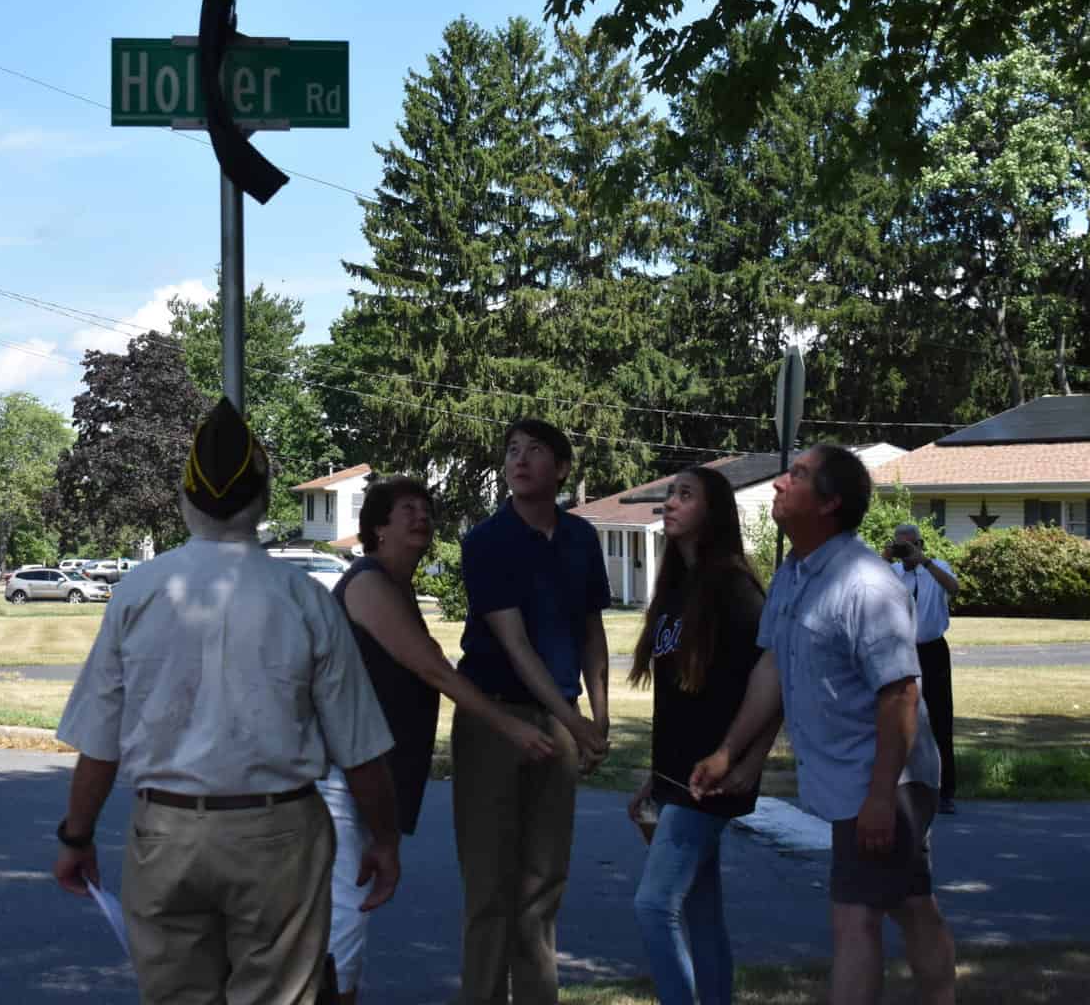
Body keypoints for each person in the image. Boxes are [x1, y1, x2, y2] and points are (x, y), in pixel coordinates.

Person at [51, 397, 403, 1005]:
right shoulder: (305, 598)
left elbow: (100, 743)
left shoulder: (137, 592)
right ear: (263, 502)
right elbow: (359, 745)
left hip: (165, 830)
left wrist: (76, 836)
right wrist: (384, 840)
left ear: (185, 501)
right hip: (278, 832)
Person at [691, 445, 956, 1005]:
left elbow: (902, 694)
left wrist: (881, 798)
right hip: (852, 783)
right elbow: (773, 667)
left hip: (884, 779)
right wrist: (730, 752)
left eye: (799, 476)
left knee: (854, 919)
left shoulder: (864, 585)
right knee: (911, 905)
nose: (782, 484)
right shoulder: (792, 574)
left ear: (830, 503)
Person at [317, 476, 557, 1004]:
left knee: (343, 930)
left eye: (426, 508)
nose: (422, 517)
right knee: (340, 933)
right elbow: (435, 671)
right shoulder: (369, 583)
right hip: (339, 781)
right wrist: (512, 726)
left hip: (366, 778)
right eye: (407, 509)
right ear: (378, 527)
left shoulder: (394, 586)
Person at [453, 418, 612, 1005]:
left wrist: (599, 716)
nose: (519, 460)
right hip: (494, 719)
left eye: (536, 451)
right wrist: (576, 727)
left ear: (562, 469)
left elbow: (591, 628)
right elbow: (516, 646)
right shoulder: (487, 542)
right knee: (490, 889)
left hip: (560, 718)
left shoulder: (580, 538)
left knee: (542, 888)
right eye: (512, 451)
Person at [626, 467, 773, 1005]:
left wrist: (748, 761)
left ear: (713, 513)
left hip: (709, 780)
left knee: (653, 904)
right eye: (670, 494)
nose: (671, 503)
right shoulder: (676, 589)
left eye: (685, 496)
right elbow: (684, 703)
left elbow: (774, 680)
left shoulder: (734, 589)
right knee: (700, 913)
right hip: (677, 777)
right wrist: (653, 777)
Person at [885, 523, 960, 814]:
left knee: (940, 720)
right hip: (901, 650)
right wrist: (886, 557)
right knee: (896, 719)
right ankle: (898, 788)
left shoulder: (936, 567)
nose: (906, 552)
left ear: (920, 544)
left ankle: (946, 792)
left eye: (909, 546)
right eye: (900, 546)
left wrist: (924, 562)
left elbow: (954, 587)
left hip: (932, 650)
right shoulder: (892, 573)